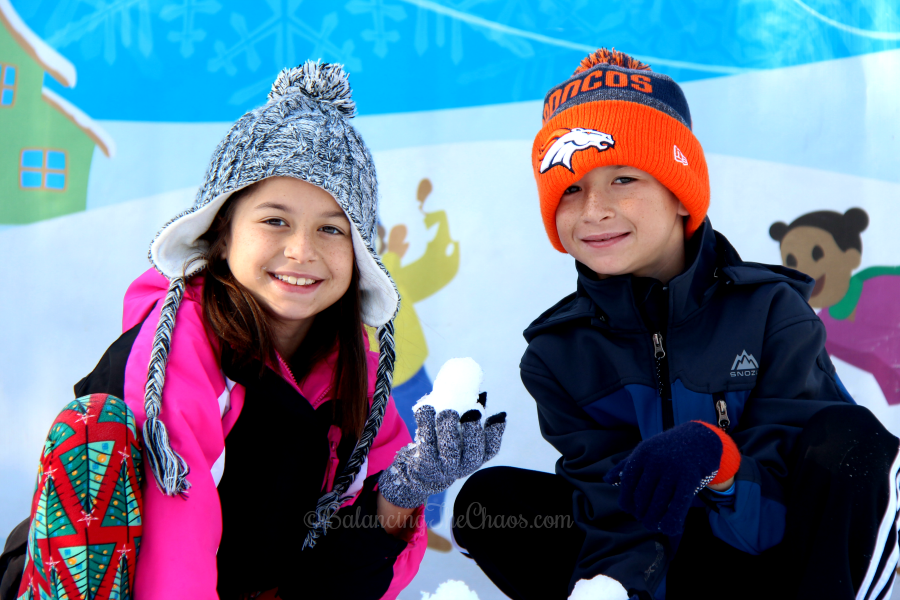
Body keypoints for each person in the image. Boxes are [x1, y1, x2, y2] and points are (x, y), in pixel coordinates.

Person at [8, 61, 506, 600]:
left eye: (330, 229)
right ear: (222, 233)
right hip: (104, 581)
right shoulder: (182, 341)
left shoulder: (353, 373)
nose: (302, 250)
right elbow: (178, 526)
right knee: (96, 428)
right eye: (275, 220)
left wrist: (401, 498)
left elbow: (341, 578)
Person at [452, 48, 900, 600]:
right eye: (570, 187)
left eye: (623, 179)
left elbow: (793, 503)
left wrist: (721, 460)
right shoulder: (558, 354)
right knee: (490, 504)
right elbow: (612, 514)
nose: (593, 209)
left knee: (851, 440)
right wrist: (615, 591)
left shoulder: (771, 311)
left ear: (679, 190)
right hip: (676, 572)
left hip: (788, 564)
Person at [770, 208, 900, 405]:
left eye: (816, 253)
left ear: (851, 256)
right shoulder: (818, 328)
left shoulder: (884, 281)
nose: (803, 269)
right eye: (791, 261)